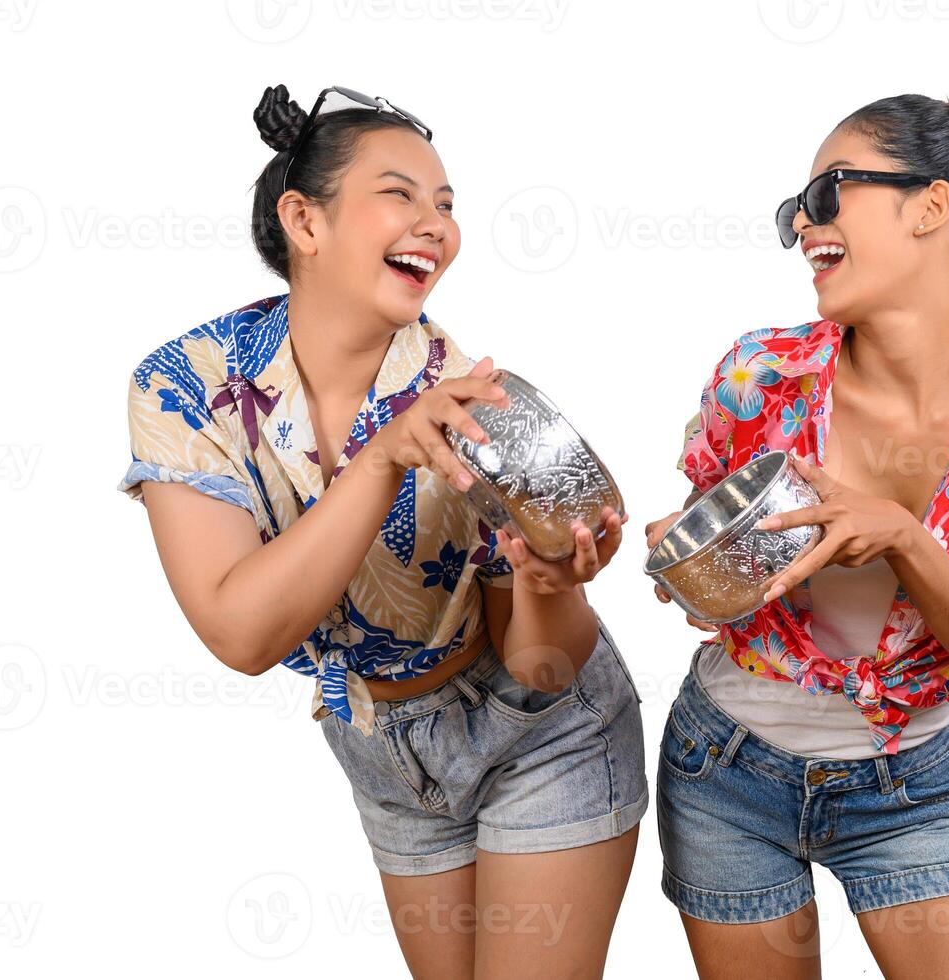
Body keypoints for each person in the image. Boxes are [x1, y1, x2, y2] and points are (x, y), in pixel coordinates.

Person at [118, 84, 647, 979]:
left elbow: (539, 665)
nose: (435, 224)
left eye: (446, 205)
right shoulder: (184, 384)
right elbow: (241, 633)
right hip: (379, 746)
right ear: (304, 221)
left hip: (542, 729)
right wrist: (378, 462)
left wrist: (555, 581)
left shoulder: (470, 401)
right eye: (400, 194)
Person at [646, 84, 949, 979]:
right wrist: (685, 557)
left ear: (932, 205)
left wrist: (903, 536)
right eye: (794, 211)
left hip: (915, 788)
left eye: (827, 195)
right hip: (726, 766)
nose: (800, 227)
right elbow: (717, 589)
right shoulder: (760, 373)